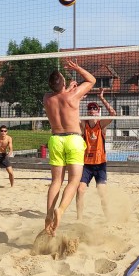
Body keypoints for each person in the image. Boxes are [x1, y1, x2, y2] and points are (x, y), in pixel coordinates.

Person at [43, 59, 96, 236]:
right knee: (74, 181)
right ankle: (61, 210)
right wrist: (77, 69)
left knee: (56, 181)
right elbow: (91, 80)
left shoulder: (47, 98)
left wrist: (67, 88)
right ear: (64, 83)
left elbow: (59, 95)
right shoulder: (74, 95)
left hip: (56, 139)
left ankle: (49, 215)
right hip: (73, 139)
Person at [76, 89, 116, 220]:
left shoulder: (101, 124)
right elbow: (73, 115)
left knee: (102, 192)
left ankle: (108, 218)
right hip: (86, 165)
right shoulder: (84, 125)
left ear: (98, 111)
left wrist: (102, 98)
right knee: (80, 190)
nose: (92, 110)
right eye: (90, 108)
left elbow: (113, 113)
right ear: (88, 111)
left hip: (100, 164)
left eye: (94, 108)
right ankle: (79, 218)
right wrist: (78, 100)